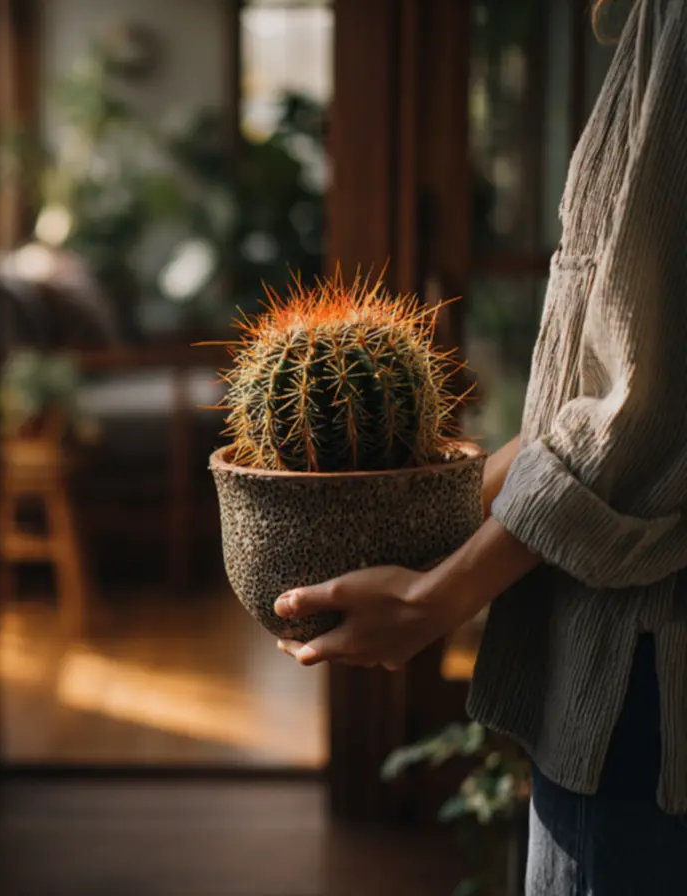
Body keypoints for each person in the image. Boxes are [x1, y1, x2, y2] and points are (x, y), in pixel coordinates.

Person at [271, 0, 687, 891]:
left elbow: (639, 416)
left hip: (643, 682)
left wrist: (434, 597)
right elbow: (601, 399)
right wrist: (434, 522)